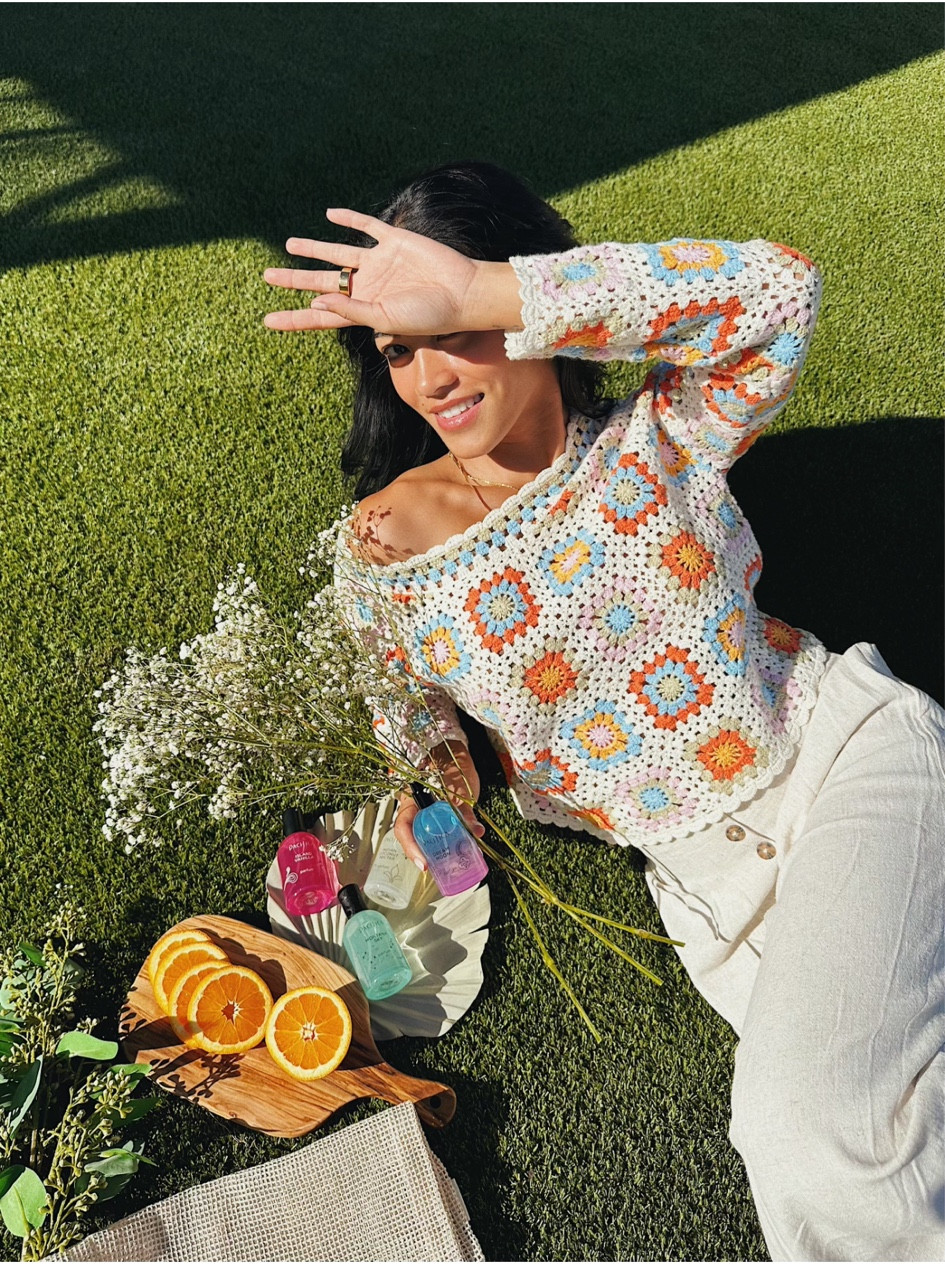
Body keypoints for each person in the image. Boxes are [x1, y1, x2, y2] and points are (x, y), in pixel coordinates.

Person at [264, 161, 945, 1262]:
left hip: (842, 759)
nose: (431, 376)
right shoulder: (381, 546)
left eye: (454, 332)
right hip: (710, 897)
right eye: (398, 349)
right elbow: (405, 704)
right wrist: (437, 786)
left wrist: (488, 290)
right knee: (891, 1121)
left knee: (800, 1136)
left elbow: (779, 290)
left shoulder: (663, 434)